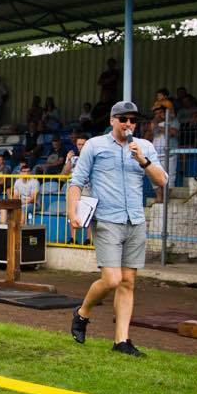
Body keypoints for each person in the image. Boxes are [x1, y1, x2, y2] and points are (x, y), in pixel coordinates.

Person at [67, 101, 167, 357]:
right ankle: (82, 312)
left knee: (128, 282)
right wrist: (72, 213)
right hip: (107, 219)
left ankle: (121, 341)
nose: (128, 125)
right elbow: (77, 182)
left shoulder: (143, 147)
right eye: (123, 120)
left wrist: (143, 161)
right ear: (112, 121)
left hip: (135, 219)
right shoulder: (95, 145)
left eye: (132, 120)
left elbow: (162, 180)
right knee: (112, 279)